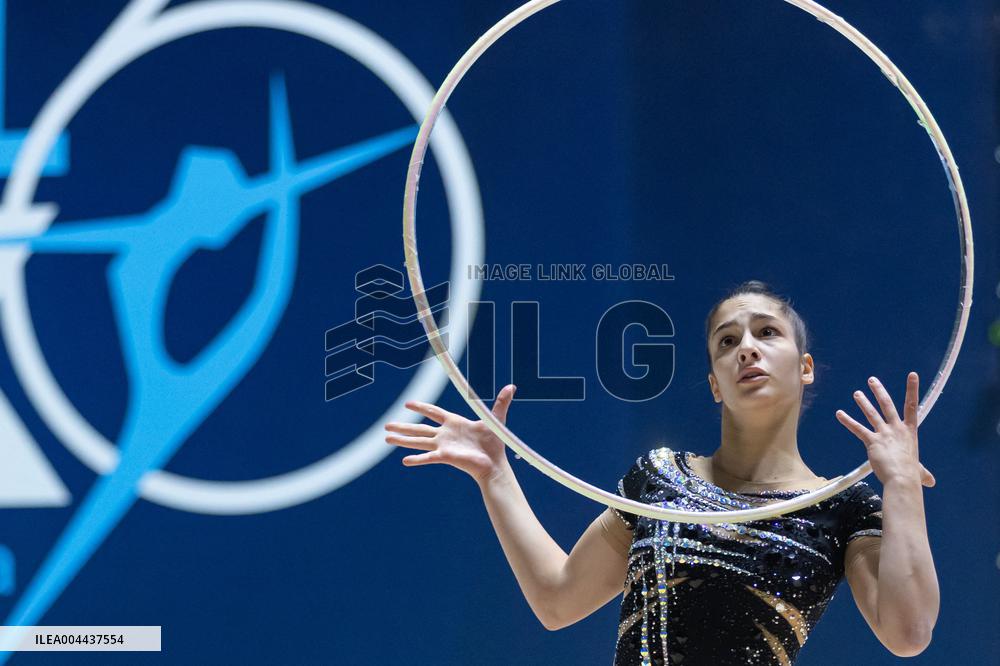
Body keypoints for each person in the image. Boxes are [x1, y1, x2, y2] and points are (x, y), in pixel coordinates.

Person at [384, 280, 939, 664]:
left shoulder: (843, 507)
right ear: (716, 382)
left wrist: (902, 487)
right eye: (728, 341)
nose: (746, 348)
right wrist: (495, 474)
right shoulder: (661, 479)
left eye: (767, 333)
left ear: (805, 368)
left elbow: (907, 634)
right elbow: (556, 601)